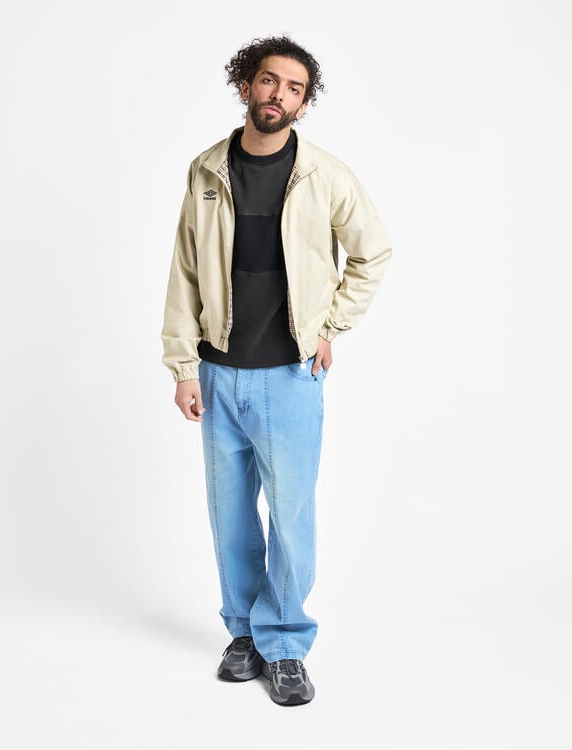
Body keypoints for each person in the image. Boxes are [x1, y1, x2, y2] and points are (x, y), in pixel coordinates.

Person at [161, 35, 392, 706]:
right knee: (229, 516)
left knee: (290, 516)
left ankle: (285, 642)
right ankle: (244, 633)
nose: (279, 95)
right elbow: (183, 271)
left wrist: (330, 325)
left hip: (291, 376)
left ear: (303, 103)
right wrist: (182, 365)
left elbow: (373, 253)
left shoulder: (325, 175)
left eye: (294, 88)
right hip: (218, 374)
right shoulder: (207, 170)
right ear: (246, 85)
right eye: (269, 81)